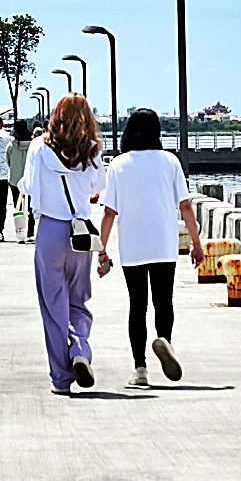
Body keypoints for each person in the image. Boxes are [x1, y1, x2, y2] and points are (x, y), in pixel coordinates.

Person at [96, 109, 202, 386]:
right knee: (163, 301)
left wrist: (102, 249)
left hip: (133, 246)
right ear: (157, 132)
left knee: (137, 305)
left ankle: (140, 369)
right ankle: (164, 340)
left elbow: (109, 212)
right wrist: (197, 244)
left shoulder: (118, 165)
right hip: (164, 244)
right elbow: (186, 207)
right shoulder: (170, 161)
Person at [20, 94, 105, 394]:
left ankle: (61, 378)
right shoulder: (93, 147)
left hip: (50, 231)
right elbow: (99, 186)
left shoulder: (38, 147)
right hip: (80, 232)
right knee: (79, 299)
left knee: (53, 306)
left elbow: (28, 186)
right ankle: (80, 347)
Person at [6, 119, 33, 243]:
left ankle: (20, 232)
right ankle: (31, 232)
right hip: (31, 179)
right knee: (32, 206)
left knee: (19, 207)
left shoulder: (11, 146)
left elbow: (8, 162)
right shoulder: (33, 145)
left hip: (15, 179)